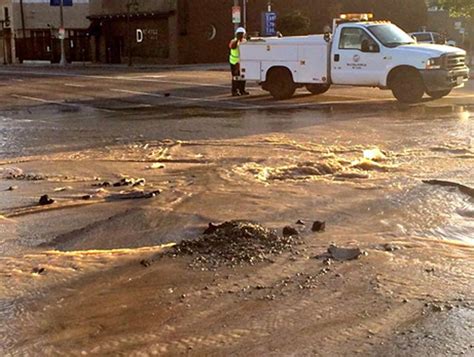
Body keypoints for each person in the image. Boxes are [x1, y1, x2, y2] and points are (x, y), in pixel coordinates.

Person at [229, 27, 249, 96]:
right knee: (236, 77)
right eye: (240, 34)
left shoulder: (244, 41)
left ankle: (242, 90)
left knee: (243, 77)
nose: (242, 35)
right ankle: (234, 91)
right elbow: (232, 46)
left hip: (242, 62)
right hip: (234, 62)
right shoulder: (234, 41)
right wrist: (237, 40)